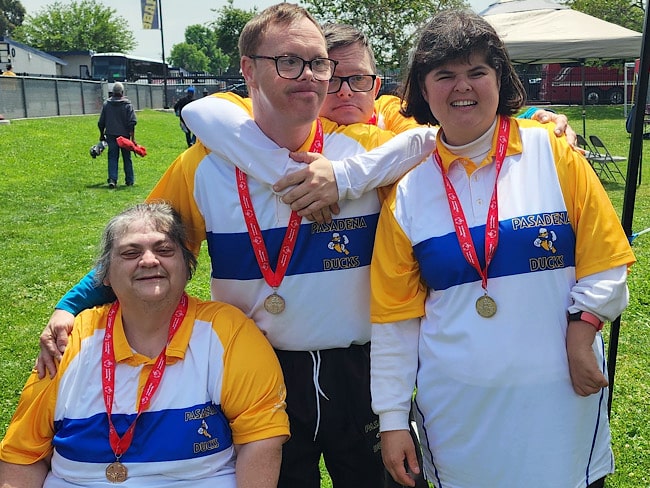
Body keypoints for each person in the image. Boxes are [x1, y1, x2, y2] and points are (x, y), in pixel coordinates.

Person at [366, 10, 635, 488]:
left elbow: (607, 261)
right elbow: (394, 323)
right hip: (457, 414)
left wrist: (583, 328)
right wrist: (390, 418)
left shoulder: (552, 152)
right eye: (443, 75)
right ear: (423, 91)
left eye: (477, 71)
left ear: (500, 78)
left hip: (560, 399)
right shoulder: (407, 194)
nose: (461, 86)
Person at [0, 202, 289, 487]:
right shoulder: (71, 341)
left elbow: (260, 440)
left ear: (187, 267)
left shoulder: (229, 332)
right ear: (105, 277)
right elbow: (23, 456)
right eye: (130, 252)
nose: (149, 261)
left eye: (164, 250)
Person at [98, 82, 137, 188]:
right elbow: (132, 122)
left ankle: (112, 179)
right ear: (122, 92)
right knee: (126, 157)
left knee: (112, 157)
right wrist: (132, 138)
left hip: (111, 135)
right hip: (124, 136)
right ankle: (129, 180)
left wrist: (101, 134)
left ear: (113, 93)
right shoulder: (127, 105)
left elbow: (101, 122)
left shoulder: (107, 104)